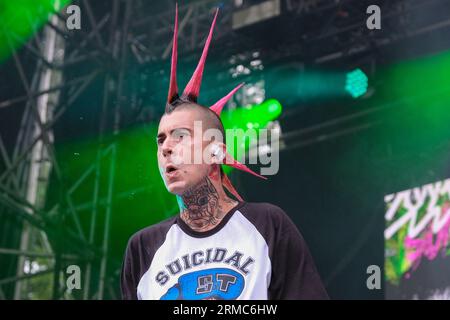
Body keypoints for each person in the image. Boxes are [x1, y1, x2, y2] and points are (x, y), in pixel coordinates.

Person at [120, 5, 328, 300]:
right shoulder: (143, 248)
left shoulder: (267, 224)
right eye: (161, 140)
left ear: (216, 151)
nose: (166, 148)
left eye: (180, 136)